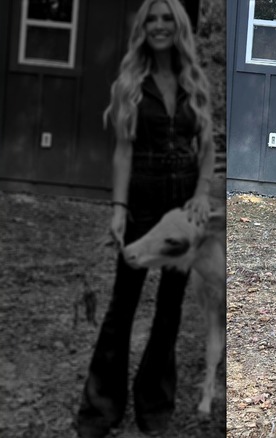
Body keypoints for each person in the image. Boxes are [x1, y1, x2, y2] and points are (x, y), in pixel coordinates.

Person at [76, 0, 214, 436]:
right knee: (123, 304)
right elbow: (122, 151)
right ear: (143, 28)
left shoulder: (195, 81)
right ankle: (100, 410)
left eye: (165, 19)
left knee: (170, 309)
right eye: (151, 19)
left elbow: (206, 148)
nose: (158, 26)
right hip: (143, 198)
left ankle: (154, 406)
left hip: (184, 202)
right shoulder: (130, 82)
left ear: (178, 28)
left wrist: (200, 194)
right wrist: (118, 209)